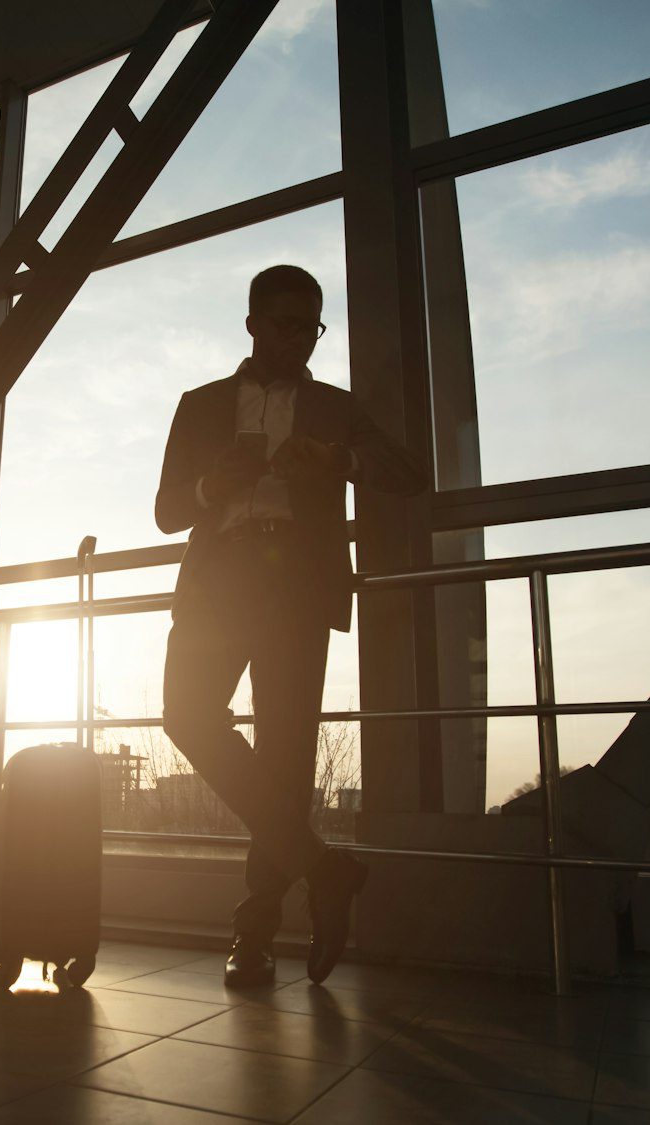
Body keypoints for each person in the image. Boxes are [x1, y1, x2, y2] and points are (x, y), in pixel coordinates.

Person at [154, 264, 424, 987]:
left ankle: (257, 936)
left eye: (311, 327)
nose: (299, 339)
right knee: (184, 715)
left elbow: (408, 470)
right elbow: (167, 510)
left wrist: (336, 458)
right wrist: (217, 482)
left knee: (286, 759)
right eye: (284, 324)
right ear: (251, 324)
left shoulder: (335, 408)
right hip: (218, 582)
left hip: (296, 587)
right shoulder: (202, 404)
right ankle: (323, 868)